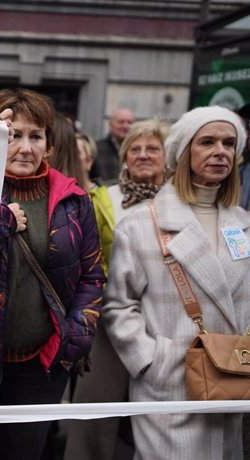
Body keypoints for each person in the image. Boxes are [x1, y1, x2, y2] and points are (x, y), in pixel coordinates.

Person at [0, 88, 105, 460]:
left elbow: (92, 275)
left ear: (49, 145)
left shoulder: (74, 201)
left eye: (36, 136)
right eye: (13, 135)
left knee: (24, 452)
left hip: (42, 363)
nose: (25, 148)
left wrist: (74, 337)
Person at [102, 106, 249, 460]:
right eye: (208, 142)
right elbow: (119, 305)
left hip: (233, 381)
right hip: (170, 388)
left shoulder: (243, 224)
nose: (220, 151)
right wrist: (153, 362)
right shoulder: (142, 224)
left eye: (229, 143)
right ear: (184, 152)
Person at [65, 118, 170, 460]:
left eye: (152, 148)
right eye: (134, 149)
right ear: (123, 157)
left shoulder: (179, 201)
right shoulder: (101, 197)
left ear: (168, 155)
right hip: (108, 320)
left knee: (161, 414)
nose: (142, 155)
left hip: (165, 320)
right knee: (95, 411)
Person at [91, 107, 134, 183]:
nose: (126, 126)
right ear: (110, 124)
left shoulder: (138, 151)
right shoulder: (95, 149)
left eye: (129, 122)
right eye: (121, 122)